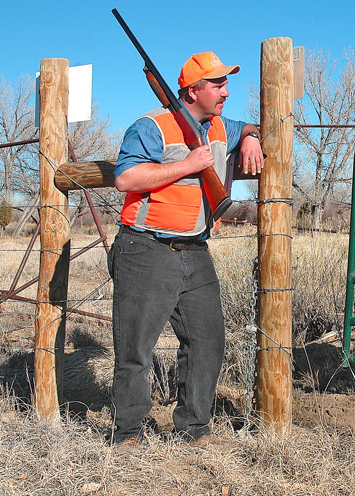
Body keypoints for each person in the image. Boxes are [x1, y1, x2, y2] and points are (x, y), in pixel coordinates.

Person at [108, 51, 264, 449]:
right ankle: (128, 434)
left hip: (195, 249)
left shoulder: (220, 126)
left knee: (207, 340)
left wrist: (249, 137)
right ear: (193, 91)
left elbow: (249, 123)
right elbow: (126, 178)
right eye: (218, 84)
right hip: (145, 247)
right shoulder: (152, 126)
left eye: (226, 83)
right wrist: (187, 164)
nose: (227, 91)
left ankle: (195, 428)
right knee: (136, 347)